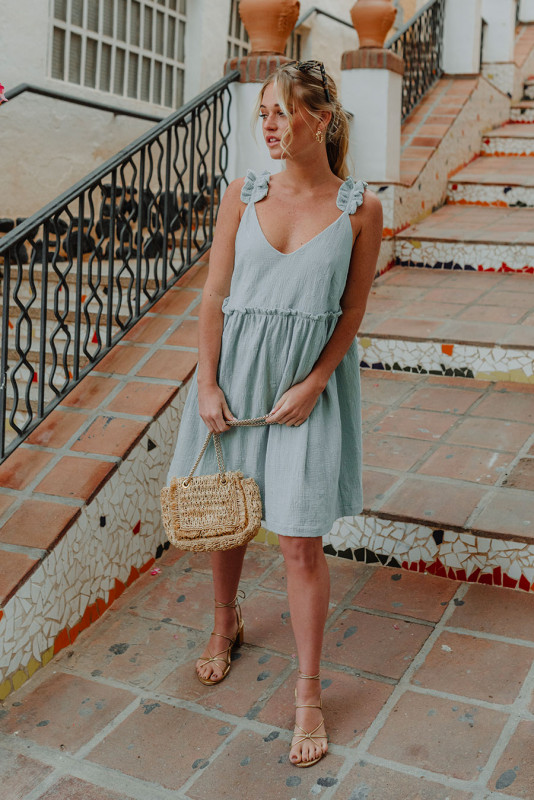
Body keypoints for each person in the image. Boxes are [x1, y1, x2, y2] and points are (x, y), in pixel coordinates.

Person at [166, 60, 382, 768]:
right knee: (227, 515)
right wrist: (207, 385)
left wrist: (316, 382)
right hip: (234, 379)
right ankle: (223, 621)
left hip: (305, 394)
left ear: (321, 120)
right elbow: (213, 296)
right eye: (262, 112)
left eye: (282, 111)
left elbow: (351, 312)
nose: (268, 124)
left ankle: (309, 691)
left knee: (298, 542)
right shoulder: (243, 194)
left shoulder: (361, 210)